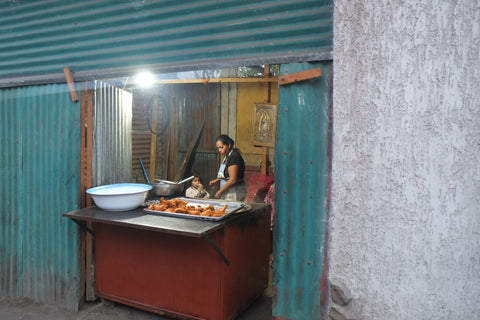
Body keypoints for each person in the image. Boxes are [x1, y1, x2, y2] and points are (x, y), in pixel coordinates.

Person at [209, 134, 247, 201]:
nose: (219, 150)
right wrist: (217, 180)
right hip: (228, 190)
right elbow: (226, 175)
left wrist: (220, 192)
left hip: (235, 191)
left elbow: (232, 180)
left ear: (229, 145)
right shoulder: (226, 156)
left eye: (221, 147)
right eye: (218, 148)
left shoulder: (234, 157)